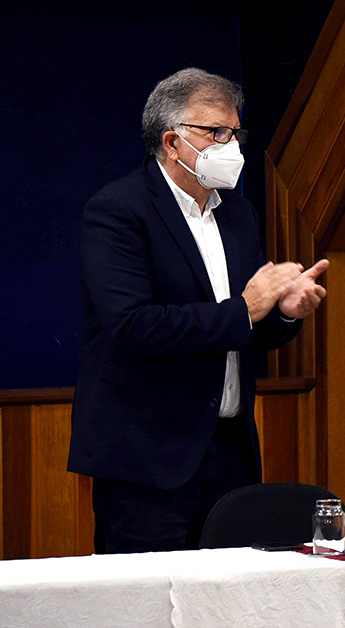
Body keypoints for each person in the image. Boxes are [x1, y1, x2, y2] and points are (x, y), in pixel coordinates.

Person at [68, 68, 329, 553]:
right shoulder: (118, 210)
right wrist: (247, 310)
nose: (231, 146)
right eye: (216, 133)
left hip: (228, 449)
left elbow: (246, 327)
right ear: (172, 141)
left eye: (236, 132)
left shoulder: (237, 212)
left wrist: (284, 314)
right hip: (147, 455)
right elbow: (132, 326)